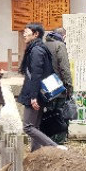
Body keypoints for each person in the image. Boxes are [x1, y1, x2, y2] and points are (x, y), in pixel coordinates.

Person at [17, 22, 61, 151]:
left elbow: (36, 74)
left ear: (36, 34)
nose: (24, 34)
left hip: (35, 92)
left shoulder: (36, 50)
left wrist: (33, 96)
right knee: (34, 127)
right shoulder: (38, 48)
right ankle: (35, 154)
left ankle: (54, 147)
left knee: (28, 127)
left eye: (27, 31)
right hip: (39, 92)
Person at [42, 26, 73, 144]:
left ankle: (47, 138)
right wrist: (69, 86)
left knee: (48, 112)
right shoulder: (60, 46)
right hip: (57, 84)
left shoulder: (43, 45)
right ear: (63, 36)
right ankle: (59, 140)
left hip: (45, 85)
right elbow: (65, 68)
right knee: (60, 113)